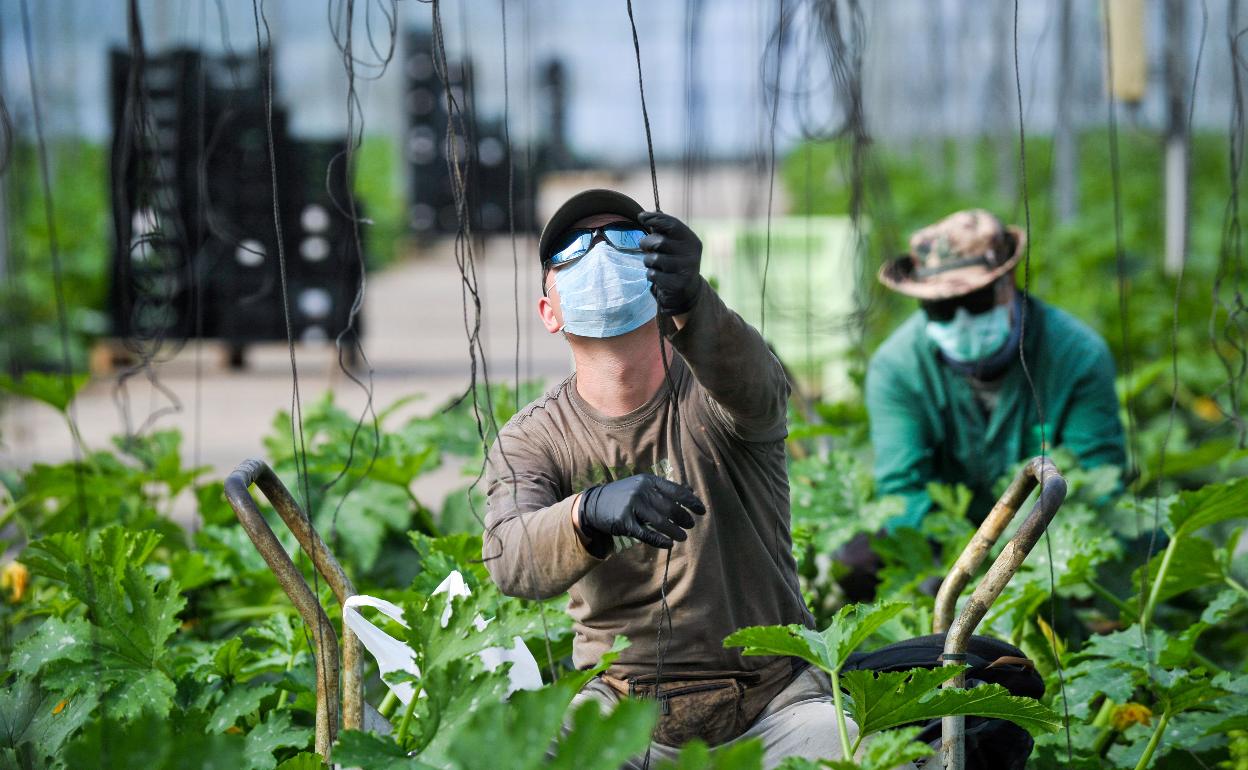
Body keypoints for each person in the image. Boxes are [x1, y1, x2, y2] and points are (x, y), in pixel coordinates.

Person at [482, 190, 876, 768]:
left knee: (864, 756)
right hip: (620, 709)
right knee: (511, 755)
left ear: (658, 280)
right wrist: (586, 513)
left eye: (622, 239)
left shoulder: (717, 396)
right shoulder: (533, 438)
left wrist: (696, 300)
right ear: (549, 312)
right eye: (572, 250)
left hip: (772, 701)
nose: (599, 253)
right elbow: (507, 557)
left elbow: (759, 387)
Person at [866, 209, 1127, 531]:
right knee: (859, 560)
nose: (961, 321)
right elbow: (902, 493)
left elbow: (1097, 481)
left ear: (1008, 283)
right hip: (946, 545)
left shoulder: (1077, 356)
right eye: (941, 308)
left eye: (976, 301)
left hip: (1049, 538)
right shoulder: (896, 368)